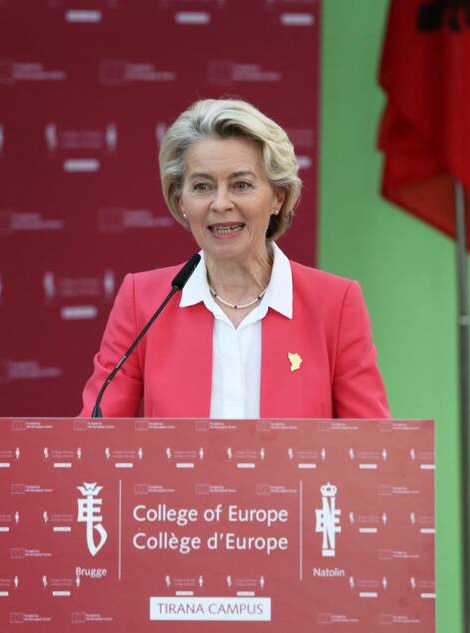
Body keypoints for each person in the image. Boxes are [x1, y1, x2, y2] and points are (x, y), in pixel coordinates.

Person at [79, 99, 389, 419]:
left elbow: (371, 451)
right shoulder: (142, 302)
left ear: (278, 197)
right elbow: (94, 442)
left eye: (241, 185)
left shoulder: (335, 305)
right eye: (202, 186)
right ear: (181, 200)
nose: (221, 203)